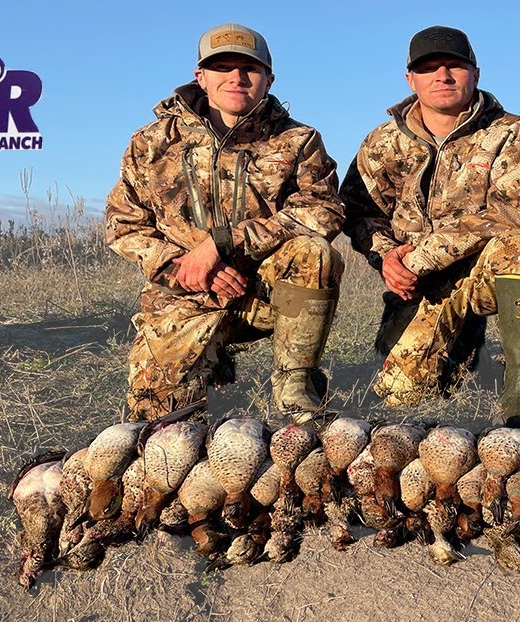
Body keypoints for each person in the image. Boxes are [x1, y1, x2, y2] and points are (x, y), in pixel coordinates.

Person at [106, 23, 345, 422]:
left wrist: (224, 243)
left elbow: (323, 209)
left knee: (313, 254)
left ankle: (294, 382)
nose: (237, 78)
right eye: (222, 67)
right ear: (201, 77)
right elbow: (123, 224)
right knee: (159, 421)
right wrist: (184, 267)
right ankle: (212, 360)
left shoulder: (298, 141)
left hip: (267, 294)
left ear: (268, 80)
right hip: (185, 294)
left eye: (249, 69)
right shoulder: (151, 142)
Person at [341, 25, 520, 432]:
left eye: (454, 65)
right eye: (428, 68)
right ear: (410, 79)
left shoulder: (511, 132)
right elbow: (357, 211)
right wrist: (387, 256)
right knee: (403, 393)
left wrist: (420, 257)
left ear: (475, 73)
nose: (443, 75)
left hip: (486, 274)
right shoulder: (382, 141)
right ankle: (462, 344)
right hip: (420, 285)